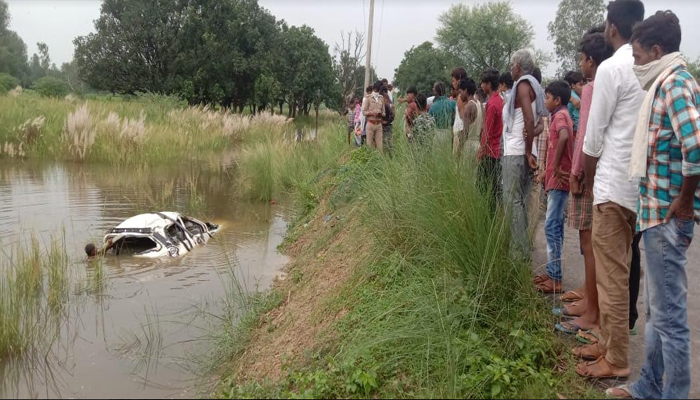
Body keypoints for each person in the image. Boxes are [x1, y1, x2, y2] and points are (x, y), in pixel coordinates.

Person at [607, 10, 700, 399]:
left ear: (658, 51)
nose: (637, 64)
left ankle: (673, 393)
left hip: (665, 216)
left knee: (670, 320)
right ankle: (648, 386)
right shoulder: (663, 84)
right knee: (656, 315)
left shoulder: (675, 85)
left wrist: (682, 201)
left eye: (640, 56)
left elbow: (695, 147)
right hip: (656, 216)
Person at [574, 0, 645, 380]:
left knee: (612, 275)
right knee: (619, 269)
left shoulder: (614, 68)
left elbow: (592, 137)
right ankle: (606, 343)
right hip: (635, 186)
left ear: (612, 26)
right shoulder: (646, 65)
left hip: (612, 184)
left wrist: (586, 178)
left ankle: (616, 359)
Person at [556, 26, 614, 337]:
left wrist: (577, 173)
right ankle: (589, 302)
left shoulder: (592, 88)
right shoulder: (605, 82)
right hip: (602, 174)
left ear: (590, 60)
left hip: (589, 174)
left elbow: (586, 138)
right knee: (588, 244)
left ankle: (592, 311)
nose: (580, 63)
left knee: (588, 243)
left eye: (581, 58)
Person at [502, 50, 549, 259]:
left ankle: (518, 251)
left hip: (517, 151)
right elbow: (539, 124)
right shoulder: (535, 88)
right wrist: (531, 143)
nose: (511, 70)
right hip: (524, 150)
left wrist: (528, 150)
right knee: (521, 201)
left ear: (518, 67)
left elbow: (530, 121)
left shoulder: (522, 85)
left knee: (513, 201)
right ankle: (522, 248)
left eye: (512, 66)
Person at [536, 80, 574, 295]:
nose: (545, 101)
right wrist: (547, 171)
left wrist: (557, 165)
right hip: (555, 179)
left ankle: (556, 278)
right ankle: (553, 273)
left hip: (560, 181)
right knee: (555, 227)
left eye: (548, 98)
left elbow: (564, 136)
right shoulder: (561, 115)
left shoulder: (560, 116)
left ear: (557, 100)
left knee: (552, 226)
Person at [479, 68, 504, 204]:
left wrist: (481, 151)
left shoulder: (492, 104)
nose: (482, 86)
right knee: (493, 190)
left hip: (490, 153)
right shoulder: (500, 100)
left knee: (484, 190)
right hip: (496, 151)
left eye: (483, 83)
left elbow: (487, 132)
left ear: (489, 84)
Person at [456, 78, 482, 156]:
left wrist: (458, 152)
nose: (460, 95)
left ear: (466, 90)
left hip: (469, 147)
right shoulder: (479, 103)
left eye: (461, 92)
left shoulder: (469, 106)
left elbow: (465, 132)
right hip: (477, 145)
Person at [428, 81, 457, 148]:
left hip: (437, 134)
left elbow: (430, 124)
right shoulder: (452, 103)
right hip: (449, 133)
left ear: (436, 91)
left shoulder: (432, 106)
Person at [362, 81, 386, 152]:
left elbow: (384, 112)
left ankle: (379, 161)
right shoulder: (368, 98)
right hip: (370, 124)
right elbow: (363, 112)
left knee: (380, 147)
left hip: (378, 125)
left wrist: (381, 114)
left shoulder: (381, 98)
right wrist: (372, 113)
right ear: (374, 88)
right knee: (369, 146)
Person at [564, 71, 585, 142]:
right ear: (573, 86)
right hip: (574, 128)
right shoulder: (572, 95)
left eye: (583, 85)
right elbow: (577, 103)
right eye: (580, 85)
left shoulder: (576, 95)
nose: (583, 88)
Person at [452, 67, 469, 149]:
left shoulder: (460, 98)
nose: (453, 83)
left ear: (458, 81)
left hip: (460, 134)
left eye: (453, 81)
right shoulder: (468, 96)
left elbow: (464, 119)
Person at [380, 86, 395, 155]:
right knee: (387, 141)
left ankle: (388, 156)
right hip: (387, 124)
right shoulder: (388, 100)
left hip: (386, 124)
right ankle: (389, 156)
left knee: (386, 141)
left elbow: (392, 114)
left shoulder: (385, 101)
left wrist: (386, 121)